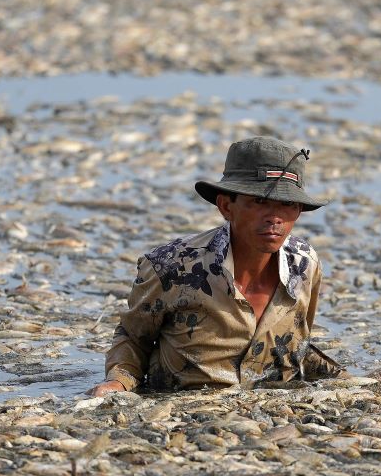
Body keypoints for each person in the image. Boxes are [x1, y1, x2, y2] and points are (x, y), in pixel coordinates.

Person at [88, 136, 344, 396]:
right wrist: (118, 383)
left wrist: (345, 381)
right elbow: (132, 337)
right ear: (226, 206)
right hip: (183, 407)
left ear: (299, 210)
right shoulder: (173, 267)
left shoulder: (305, 264)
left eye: (288, 204)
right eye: (259, 202)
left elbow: (299, 342)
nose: (275, 218)